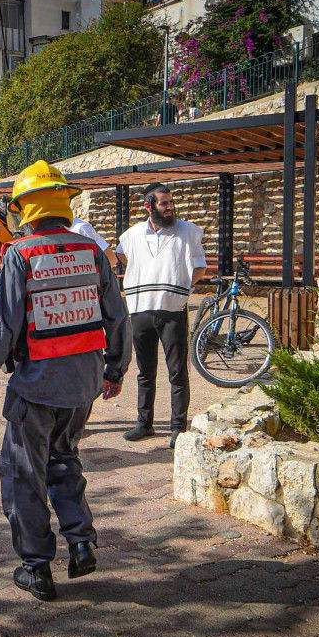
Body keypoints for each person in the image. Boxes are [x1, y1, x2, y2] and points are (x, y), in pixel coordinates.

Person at [0, 160, 130, 602]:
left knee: (24, 475)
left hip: (36, 387)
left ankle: (37, 568)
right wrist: (115, 370)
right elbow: (117, 316)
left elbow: (1, 327)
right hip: (83, 386)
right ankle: (81, 541)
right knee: (64, 460)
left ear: (25, 209)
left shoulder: (20, 254)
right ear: (63, 203)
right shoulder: (91, 251)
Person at [115, 183, 206, 449]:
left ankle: (178, 427)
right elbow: (121, 254)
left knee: (177, 371)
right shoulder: (131, 235)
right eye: (164, 203)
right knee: (144, 371)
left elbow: (200, 267)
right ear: (148, 206)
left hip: (172, 309)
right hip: (140, 308)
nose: (170, 207)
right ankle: (144, 423)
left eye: (170, 202)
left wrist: (181, 287)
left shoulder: (188, 231)